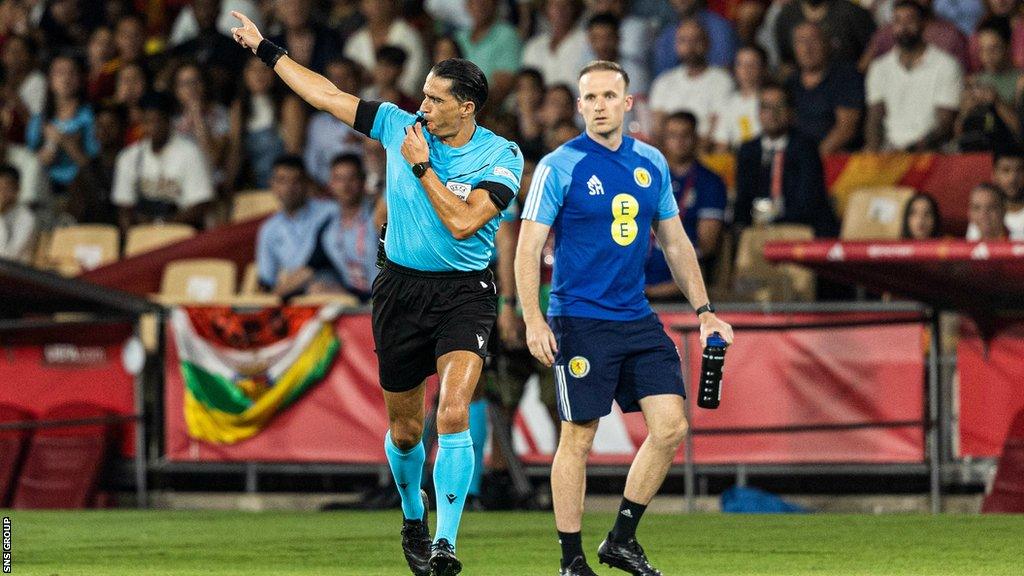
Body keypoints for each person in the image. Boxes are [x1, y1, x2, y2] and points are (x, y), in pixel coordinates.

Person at [232, 12, 523, 576]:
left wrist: (421, 171)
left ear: (467, 108)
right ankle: (413, 514)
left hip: (465, 291)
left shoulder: (501, 156)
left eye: (436, 100)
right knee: (405, 430)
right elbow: (326, 94)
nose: (422, 107)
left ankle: (446, 544)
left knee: (455, 411)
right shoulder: (396, 124)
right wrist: (266, 49)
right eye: (423, 95)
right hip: (399, 290)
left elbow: (465, 224)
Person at [515, 60, 733, 576]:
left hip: (635, 316)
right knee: (579, 437)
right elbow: (527, 249)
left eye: (609, 96)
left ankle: (621, 540)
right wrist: (532, 319)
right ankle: (571, 560)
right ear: (579, 106)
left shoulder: (652, 162)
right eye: (589, 98)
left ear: (628, 104)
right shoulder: (559, 165)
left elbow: (676, 243)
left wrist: (705, 312)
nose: (599, 106)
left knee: (671, 427)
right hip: (580, 319)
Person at [734, 83, 839, 237]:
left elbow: (808, 202)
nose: (772, 113)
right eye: (766, 107)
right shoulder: (748, 150)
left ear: (791, 111)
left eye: (779, 106)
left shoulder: (806, 148)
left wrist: (771, 220)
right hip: (758, 226)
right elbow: (743, 199)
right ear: (759, 112)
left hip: (798, 227)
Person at [646, 111, 727, 299]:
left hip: (679, 277)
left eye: (685, 135)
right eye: (673, 136)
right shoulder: (647, 178)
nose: (679, 141)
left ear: (696, 139)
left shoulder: (710, 182)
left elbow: (707, 246)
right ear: (663, 140)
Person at [864, 0, 962, 152]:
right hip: (889, 154)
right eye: (897, 21)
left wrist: (909, 152)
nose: (903, 27)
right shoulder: (879, 68)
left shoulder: (947, 65)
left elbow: (945, 123)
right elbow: (874, 118)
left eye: (910, 20)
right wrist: (874, 153)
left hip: (934, 154)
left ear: (923, 24)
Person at [111, 91, 214, 230]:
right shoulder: (129, 157)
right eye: (146, 122)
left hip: (181, 232)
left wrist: (161, 225)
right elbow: (124, 207)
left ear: (168, 121)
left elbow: (201, 205)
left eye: (156, 121)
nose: (151, 127)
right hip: (142, 234)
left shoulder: (190, 153)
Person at [255, 155, 338, 297]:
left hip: (329, 288)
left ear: (306, 183)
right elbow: (266, 280)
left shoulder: (330, 212)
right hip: (290, 294)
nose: (289, 188)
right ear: (272, 184)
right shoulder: (269, 229)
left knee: (317, 288)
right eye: (282, 181)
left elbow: (319, 264)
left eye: (295, 181)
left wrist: (276, 295)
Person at [787, 21, 865, 154]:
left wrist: (813, 160)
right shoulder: (790, 83)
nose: (807, 48)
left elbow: (846, 128)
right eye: (801, 41)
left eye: (813, 40)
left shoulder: (846, 76)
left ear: (826, 43)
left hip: (838, 159)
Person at [966, 147, 1024, 239]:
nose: (1013, 178)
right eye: (1006, 170)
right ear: (994, 175)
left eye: (1019, 170)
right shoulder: (980, 217)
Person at [0, 164, 37, 263]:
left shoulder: (27, 218)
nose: (2, 193)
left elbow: (9, 255)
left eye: (6, 188)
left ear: (17, 190)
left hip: (14, 273)